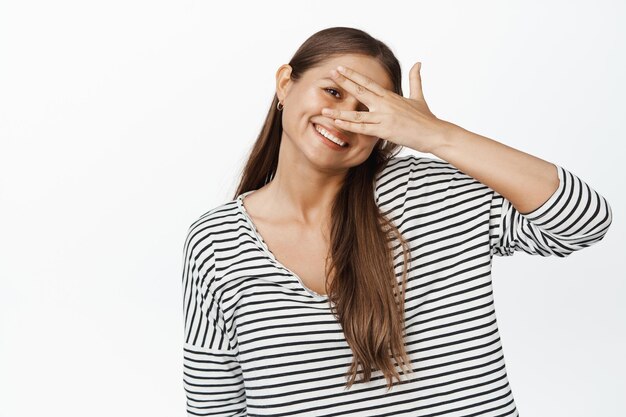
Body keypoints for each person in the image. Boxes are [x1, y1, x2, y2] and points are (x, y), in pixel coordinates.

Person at [180, 27, 613, 416]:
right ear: (284, 84)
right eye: (332, 92)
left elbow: (583, 221)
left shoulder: (436, 195)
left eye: (368, 109)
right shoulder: (217, 242)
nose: (345, 118)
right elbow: (214, 406)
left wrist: (436, 135)